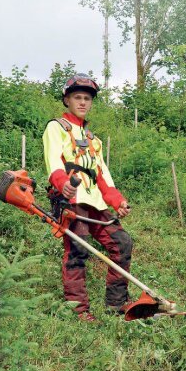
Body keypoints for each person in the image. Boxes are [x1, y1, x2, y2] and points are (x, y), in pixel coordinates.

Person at [43, 73, 133, 322]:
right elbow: (53, 164)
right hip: (73, 201)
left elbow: (103, 176)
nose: (82, 102)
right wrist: (64, 185)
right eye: (77, 97)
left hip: (96, 203)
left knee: (122, 244)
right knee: (78, 251)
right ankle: (79, 310)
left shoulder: (94, 140)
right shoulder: (57, 128)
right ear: (67, 100)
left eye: (86, 98)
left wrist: (118, 201)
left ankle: (115, 304)